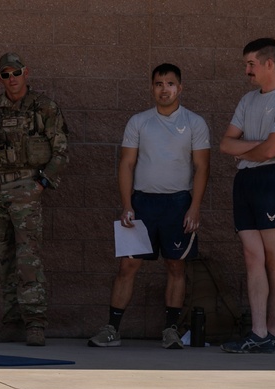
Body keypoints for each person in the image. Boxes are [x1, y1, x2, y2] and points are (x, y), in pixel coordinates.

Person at [88, 63, 210, 349]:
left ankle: (170, 330)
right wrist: (127, 204)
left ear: (180, 88)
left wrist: (195, 207)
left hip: (179, 203)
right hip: (142, 203)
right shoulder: (139, 122)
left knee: (176, 266)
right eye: (158, 83)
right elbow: (127, 164)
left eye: (170, 84)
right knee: (128, 265)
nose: (164, 89)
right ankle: (112, 329)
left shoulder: (195, 123)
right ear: (151, 88)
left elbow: (202, 167)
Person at [0, 52, 68, 347]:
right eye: (6, 74)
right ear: (0, 78)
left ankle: (35, 323)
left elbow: (61, 151)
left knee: (28, 257)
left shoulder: (44, 107)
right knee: (4, 258)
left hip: (27, 188)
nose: (12, 79)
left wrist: (41, 185)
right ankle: (12, 322)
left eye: (16, 72)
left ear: (27, 73)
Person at [219, 38, 275, 354]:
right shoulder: (247, 100)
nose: (247, 70)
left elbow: (271, 149)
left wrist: (256, 149)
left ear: (269, 63)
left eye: (251, 64)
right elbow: (226, 144)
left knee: (272, 258)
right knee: (251, 256)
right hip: (245, 181)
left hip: (273, 181)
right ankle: (257, 333)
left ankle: (273, 330)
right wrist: (261, 148)